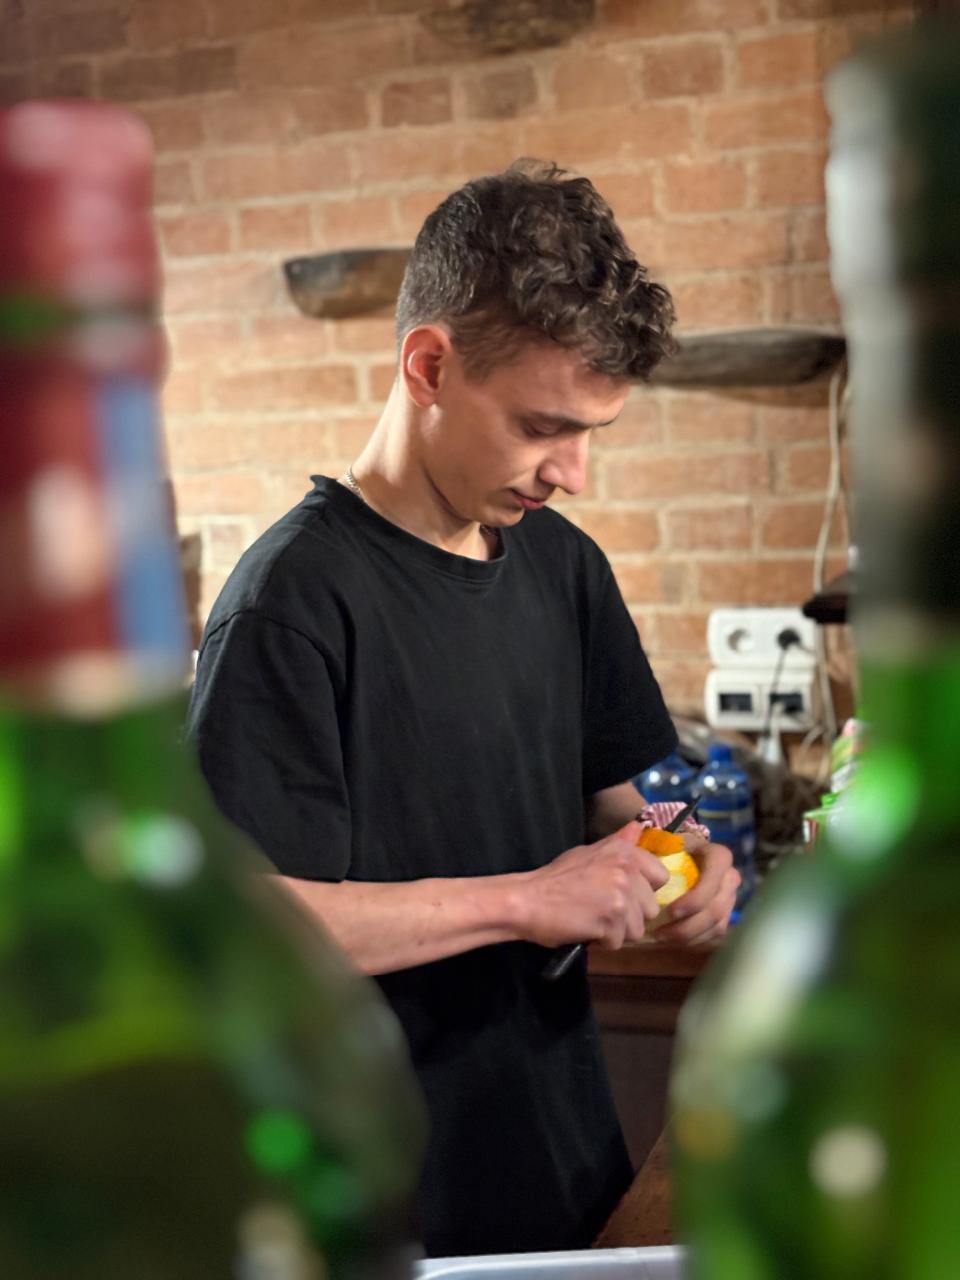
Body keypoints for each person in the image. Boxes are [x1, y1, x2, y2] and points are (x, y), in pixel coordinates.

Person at [187, 159, 739, 1258]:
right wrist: (527, 900)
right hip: (387, 1203)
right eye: (544, 426)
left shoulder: (564, 568)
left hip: (561, 1149)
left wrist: (685, 860)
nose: (573, 472)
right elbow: (241, 929)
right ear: (429, 365)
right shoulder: (290, 602)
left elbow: (622, 809)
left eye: (593, 432)